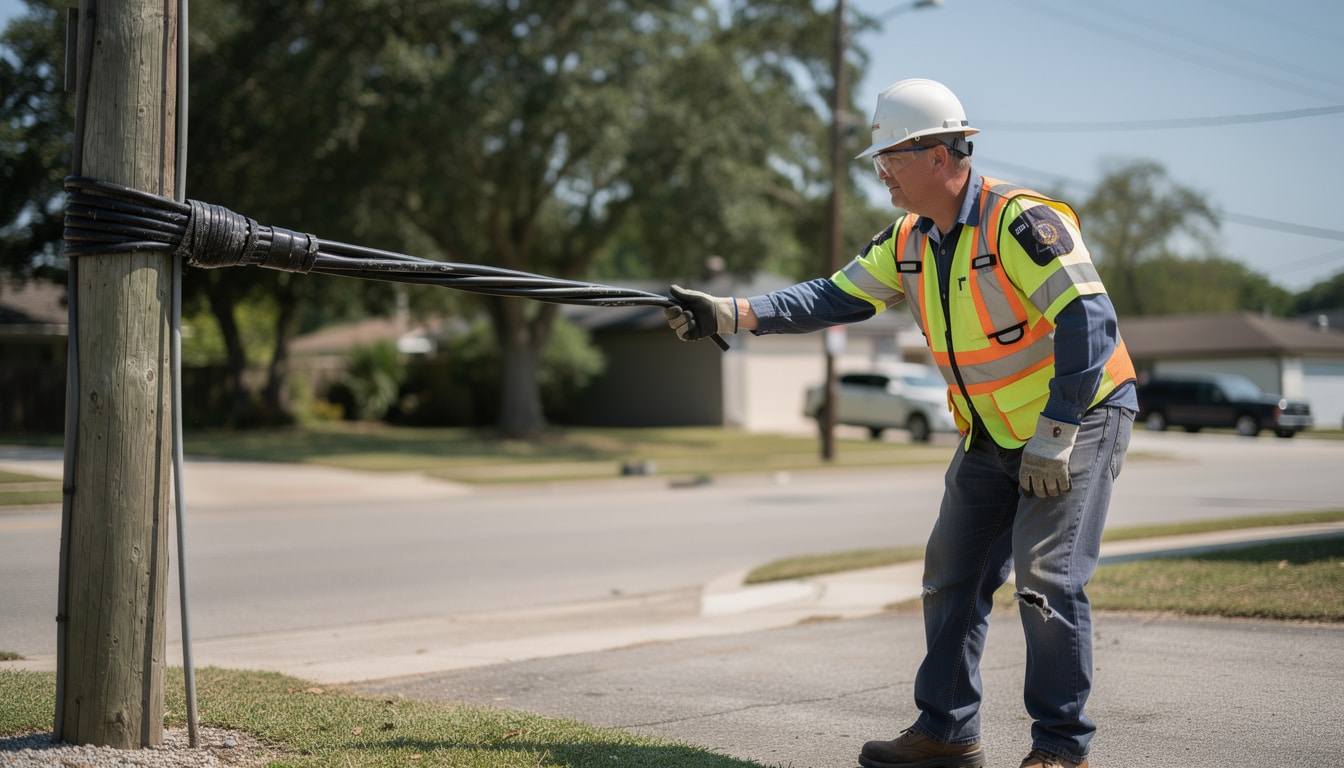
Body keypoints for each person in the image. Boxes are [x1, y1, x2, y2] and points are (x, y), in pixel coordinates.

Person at [663, 78, 1137, 768]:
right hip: (992, 431)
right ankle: (947, 734)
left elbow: (1089, 319)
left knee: (1046, 579)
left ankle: (1061, 749)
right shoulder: (908, 240)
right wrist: (731, 313)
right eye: (879, 161)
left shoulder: (1018, 221)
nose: (881, 173)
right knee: (950, 575)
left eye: (890, 158)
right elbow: (830, 297)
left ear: (939, 156)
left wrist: (1057, 430)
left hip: (1081, 413)